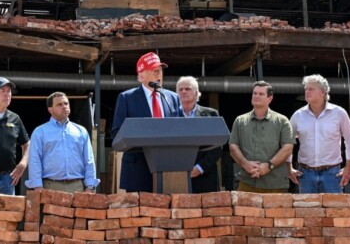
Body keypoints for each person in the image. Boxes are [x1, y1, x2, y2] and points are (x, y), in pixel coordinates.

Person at [111, 52, 181, 192]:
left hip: (168, 169)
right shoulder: (126, 98)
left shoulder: (172, 98)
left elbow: (180, 130)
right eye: (154, 71)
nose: (159, 74)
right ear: (141, 75)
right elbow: (116, 134)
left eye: (160, 71)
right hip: (137, 169)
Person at [288, 74, 350, 193]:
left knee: (335, 210)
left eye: (311, 89)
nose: (307, 91)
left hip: (332, 173)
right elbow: (288, 143)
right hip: (305, 173)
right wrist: (288, 168)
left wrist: (349, 167)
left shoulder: (339, 113)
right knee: (307, 210)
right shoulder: (298, 115)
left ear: (322, 92)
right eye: (306, 89)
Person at [25, 92, 100, 193]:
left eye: (66, 103)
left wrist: (90, 186)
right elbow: (34, 160)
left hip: (77, 187)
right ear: (50, 110)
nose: (64, 107)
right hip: (50, 186)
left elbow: (89, 160)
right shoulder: (40, 132)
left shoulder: (81, 131)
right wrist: (37, 186)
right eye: (59, 104)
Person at [229, 81, 295, 193]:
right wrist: (245, 163)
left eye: (260, 94)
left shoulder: (282, 121)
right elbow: (233, 146)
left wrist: (268, 166)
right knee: (243, 211)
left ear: (270, 98)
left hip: (275, 184)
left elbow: (287, 148)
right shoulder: (240, 121)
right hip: (247, 182)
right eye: (254, 93)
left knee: (276, 211)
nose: (256, 96)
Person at [176, 76, 223, 193]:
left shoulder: (211, 114)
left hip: (205, 178)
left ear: (196, 93)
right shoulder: (169, 116)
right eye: (180, 89)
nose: (183, 91)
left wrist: (199, 168)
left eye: (187, 89)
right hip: (176, 177)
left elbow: (217, 146)